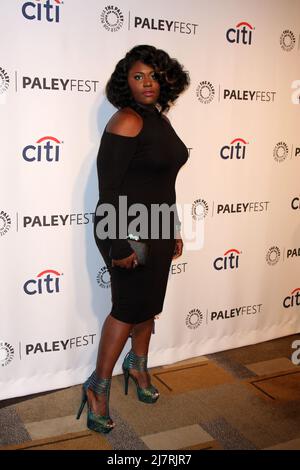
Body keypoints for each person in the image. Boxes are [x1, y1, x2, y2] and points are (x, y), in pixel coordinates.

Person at [76, 45, 189, 434]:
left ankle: (137, 365)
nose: (147, 84)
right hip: (125, 227)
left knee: (149, 304)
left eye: (154, 76)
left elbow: (164, 184)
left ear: (167, 79)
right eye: (138, 76)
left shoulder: (159, 119)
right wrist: (118, 243)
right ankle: (97, 387)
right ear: (125, 82)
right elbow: (108, 192)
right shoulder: (126, 120)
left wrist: (172, 228)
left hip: (157, 225)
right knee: (127, 308)